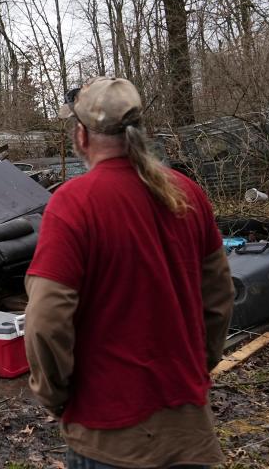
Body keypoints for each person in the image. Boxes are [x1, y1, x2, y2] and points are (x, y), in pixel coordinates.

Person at [23, 76, 235, 469]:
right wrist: (197, 366)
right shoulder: (188, 194)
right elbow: (220, 297)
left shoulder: (73, 205)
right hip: (188, 429)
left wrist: (53, 395)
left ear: (82, 136)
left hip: (108, 438)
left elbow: (46, 321)